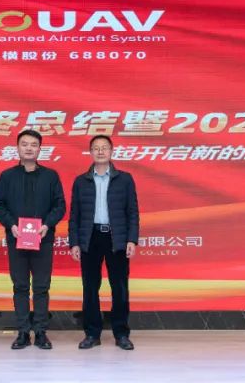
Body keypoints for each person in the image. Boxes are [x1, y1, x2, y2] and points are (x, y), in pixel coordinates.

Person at [0, 129, 66, 350]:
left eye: (34, 144)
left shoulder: (51, 176)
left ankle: (41, 332)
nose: (29, 148)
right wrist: (11, 225)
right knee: (20, 286)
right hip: (17, 239)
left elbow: (60, 205)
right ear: (17, 148)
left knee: (42, 287)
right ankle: (23, 332)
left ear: (40, 149)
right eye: (24, 144)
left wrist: (47, 225)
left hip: (43, 239)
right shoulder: (7, 176)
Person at [68, 134, 139, 350]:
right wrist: (74, 243)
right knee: (90, 287)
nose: (100, 151)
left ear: (111, 151)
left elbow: (132, 212)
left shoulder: (124, 179)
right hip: (90, 237)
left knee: (119, 287)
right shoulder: (81, 181)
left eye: (104, 147)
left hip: (116, 238)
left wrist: (131, 239)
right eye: (96, 148)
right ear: (90, 152)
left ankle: (121, 334)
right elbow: (74, 215)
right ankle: (92, 334)